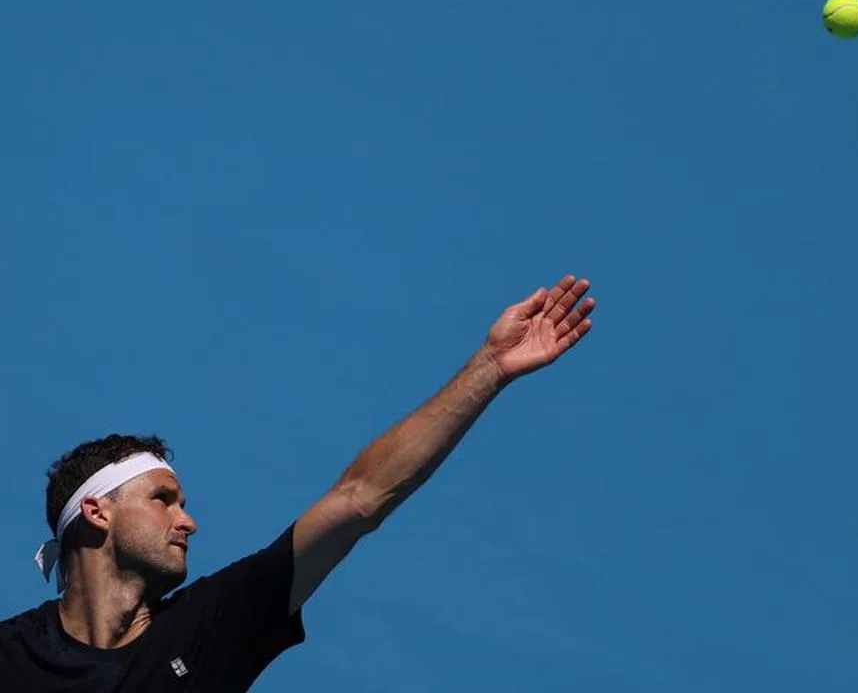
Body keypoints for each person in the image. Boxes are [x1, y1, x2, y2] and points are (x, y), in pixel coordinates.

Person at [0, 275, 596, 692]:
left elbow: (360, 498)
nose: (189, 521)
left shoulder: (213, 626)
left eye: (183, 503)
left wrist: (489, 369)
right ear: (98, 512)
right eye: (163, 500)